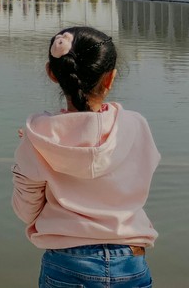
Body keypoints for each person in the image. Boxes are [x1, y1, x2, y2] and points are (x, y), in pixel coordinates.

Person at [12, 27, 160, 288]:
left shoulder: (38, 137)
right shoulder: (135, 126)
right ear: (110, 78)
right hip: (130, 260)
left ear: (52, 74)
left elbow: (26, 211)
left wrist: (33, 149)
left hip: (66, 265)